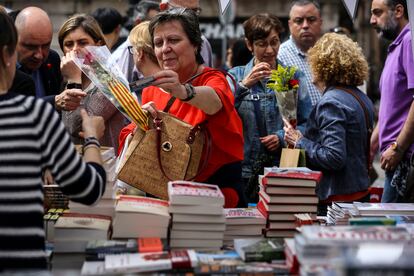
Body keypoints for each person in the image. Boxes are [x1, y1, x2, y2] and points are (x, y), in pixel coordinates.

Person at [0, 10, 106, 270]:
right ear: (7, 54)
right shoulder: (32, 113)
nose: (39, 54)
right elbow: (88, 188)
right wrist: (92, 139)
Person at [118, 8, 246, 208]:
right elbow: (134, 139)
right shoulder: (153, 89)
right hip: (162, 194)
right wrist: (140, 122)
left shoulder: (214, 78)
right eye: (159, 43)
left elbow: (215, 102)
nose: (165, 49)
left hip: (213, 196)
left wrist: (183, 91)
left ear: (196, 45)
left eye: (174, 40)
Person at [283, 33, 375, 215]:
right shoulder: (361, 98)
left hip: (337, 199)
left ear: (323, 66)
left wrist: (299, 141)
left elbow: (334, 157)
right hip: (359, 190)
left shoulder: (331, 102)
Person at [228, 13, 311, 202]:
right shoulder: (235, 75)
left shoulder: (292, 77)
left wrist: (282, 137)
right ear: (249, 45)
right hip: (245, 171)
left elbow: (309, 123)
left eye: (274, 42)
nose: (270, 50)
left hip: (283, 167)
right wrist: (244, 85)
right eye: (261, 44)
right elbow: (222, 114)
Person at [58, 14, 125, 149]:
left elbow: (76, 128)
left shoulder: (109, 80)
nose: (75, 49)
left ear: (98, 44)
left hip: (103, 163)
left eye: (82, 43)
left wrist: (73, 80)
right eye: (68, 44)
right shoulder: (67, 74)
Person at [369, 0, 414, 202]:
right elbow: (392, 107)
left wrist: (398, 147)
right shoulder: (396, 46)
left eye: (377, 13)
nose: (372, 20)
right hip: (395, 160)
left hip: (405, 160)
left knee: (395, 229)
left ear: (398, 11)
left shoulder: (410, 40)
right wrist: (372, 144)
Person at [278, 0, 323, 107]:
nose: (305, 25)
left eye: (311, 20)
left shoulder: (329, 53)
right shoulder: (280, 56)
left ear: (320, 23)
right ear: (290, 25)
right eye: (299, 21)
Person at [13, 7, 62, 103]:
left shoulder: (52, 59)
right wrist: (54, 101)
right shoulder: (4, 68)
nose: (39, 55)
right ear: (14, 40)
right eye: (31, 46)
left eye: (45, 46)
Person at [112, 0, 161, 84]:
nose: (158, 28)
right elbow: (123, 87)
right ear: (138, 22)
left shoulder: (160, 46)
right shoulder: (127, 50)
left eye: (160, 23)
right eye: (152, 22)